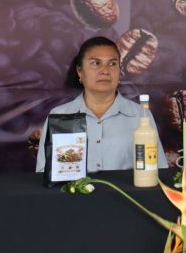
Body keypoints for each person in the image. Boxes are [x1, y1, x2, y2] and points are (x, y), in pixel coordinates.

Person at [36, 36, 166, 173]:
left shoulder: (140, 115)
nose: (105, 70)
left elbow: (158, 170)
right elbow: (43, 172)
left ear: (120, 71)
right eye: (95, 63)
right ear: (80, 71)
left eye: (112, 64)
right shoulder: (59, 115)